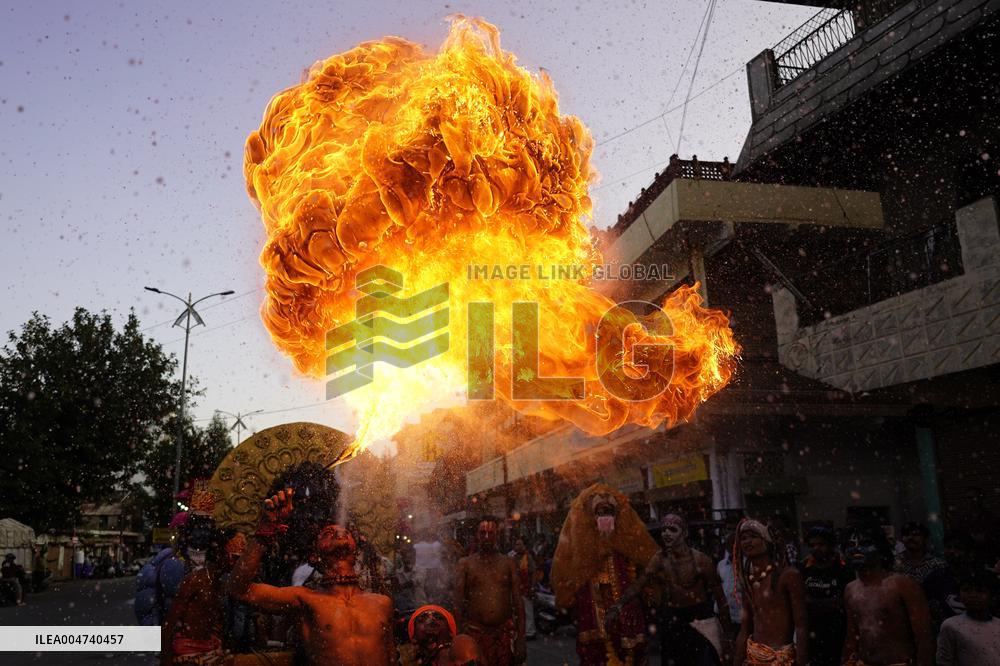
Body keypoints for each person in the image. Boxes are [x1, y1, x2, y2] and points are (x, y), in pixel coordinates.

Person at [229, 488, 396, 666]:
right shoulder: (305, 599)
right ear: (315, 556)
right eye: (327, 533)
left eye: (345, 532)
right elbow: (240, 590)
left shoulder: (382, 603)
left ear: (356, 551)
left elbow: (392, 657)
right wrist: (264, 533)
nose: (339, 533)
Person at [551, 483, 659, 666]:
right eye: (600, 510)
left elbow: (647, 566)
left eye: (609, 509)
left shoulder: (629, 540)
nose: (604, 515)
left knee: (632, 652)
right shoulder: (581, 544)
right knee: (596, 652)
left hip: (626, 604)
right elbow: (567, 573)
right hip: (592, 607)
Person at [608, 512, 730, 664]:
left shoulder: (702, 560)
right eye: (663, 530)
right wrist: (618, 605)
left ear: (684, 533)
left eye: (672, 529)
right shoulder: (659, 559)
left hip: (700, 620)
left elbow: (721, 599)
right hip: (673, 621)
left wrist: (727, 635)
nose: (666, 533)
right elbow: (639, 584)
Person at [842, 522, 933, 666]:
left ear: (880, 548)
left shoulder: (902, 585)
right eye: (851, 544)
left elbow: (924, 638)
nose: (856, 549)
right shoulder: (850, 589)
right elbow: (851, 637)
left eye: (864, 543)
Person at [732, 519, 807, 666]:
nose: (747, 542)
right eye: (743, 538)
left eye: (753, 536)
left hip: (781, 659)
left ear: (767, 540)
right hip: (753, 658)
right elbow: (745, 629)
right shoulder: (748, 580)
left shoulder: (788, 576)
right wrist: (736, 662)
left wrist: (802, 661)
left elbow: (801, 626)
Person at [454, 517, 525, 665]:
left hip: (503, 635)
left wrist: (521, 639)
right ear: (477, 535)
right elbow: (457, 604)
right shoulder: (465, 564)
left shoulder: (508, 563)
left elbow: (518, 602)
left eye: (491, 533)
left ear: (497, 535)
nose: (487, 537)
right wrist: (459, 638)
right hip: (475, 634)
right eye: (482, 533)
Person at [161, 512, 227, 665]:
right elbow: (169, 624)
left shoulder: (217, 580)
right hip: (189, 650)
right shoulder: (193, 579)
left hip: (209, 647)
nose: (230, 559)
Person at [800, 526, 852, 666]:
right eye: (812, 545)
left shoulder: (843, 568)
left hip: (838, 631)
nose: (816, 548)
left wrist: (816, 603)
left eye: (821, 544)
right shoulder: (803, 567)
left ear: (831, 545)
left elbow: (844, 602)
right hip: (812, 632)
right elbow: (801, 601)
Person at [936, 569, 1000, 665]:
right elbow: (944, 661)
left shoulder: (998, 625)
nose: (973, 595)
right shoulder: (951, 626)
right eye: (967, 590)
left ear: (992, 596)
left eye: (980, 591)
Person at [400, 604, 482, 666]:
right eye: (422, 619)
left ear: (450, 632)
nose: (431, 619)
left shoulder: (462, 645)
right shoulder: (404, 658)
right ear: (414, 636)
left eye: (439, 617)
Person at [510, 537, 537, 640]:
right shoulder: (513, 558)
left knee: (528, 611)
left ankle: (530, 632)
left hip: (526, 588)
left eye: (520, 544)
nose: (518, 547)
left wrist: (532, 587)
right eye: (516, 545)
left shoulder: (528, 558)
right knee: (517, 611)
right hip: (516, 588)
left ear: (524, 546)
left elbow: (533, 573)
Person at [717, 533, 742, 632]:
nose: (732, 547)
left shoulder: (747, 565)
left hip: (741, 617)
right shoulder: (721, 565)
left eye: (734, 544)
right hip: (724, 615)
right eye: (729, 545)